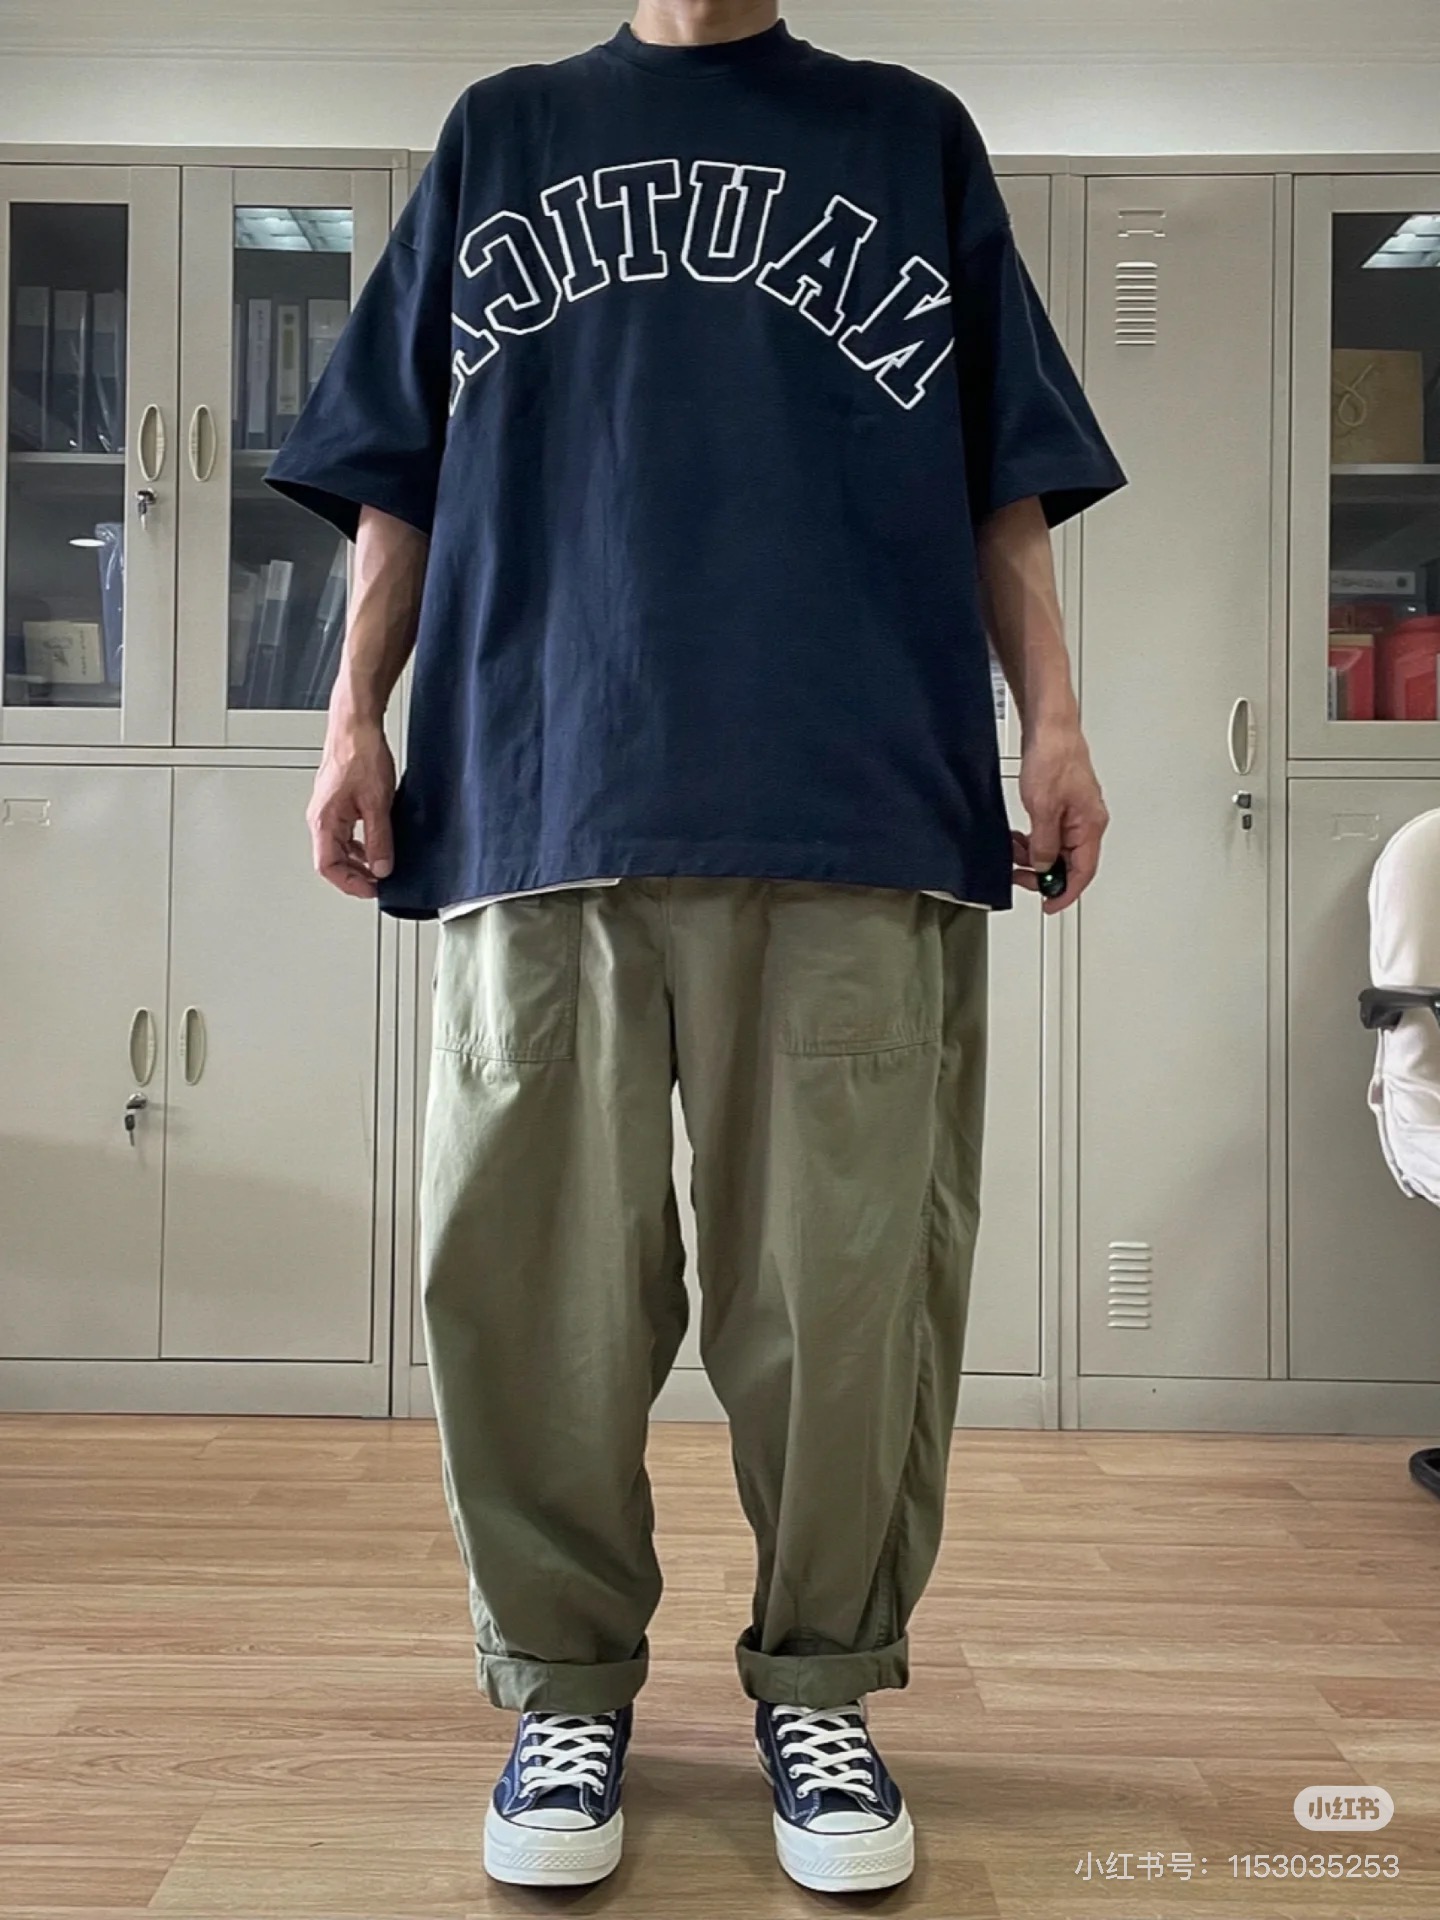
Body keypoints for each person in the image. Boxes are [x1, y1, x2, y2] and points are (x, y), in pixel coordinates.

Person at [264, 0, 1126, 1894]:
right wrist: (349, 716)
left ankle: (823, 1683)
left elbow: (1002, 473)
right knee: (527, 1287)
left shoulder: (907, 137)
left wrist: (1054, 721)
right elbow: (399, 475)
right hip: (538, 783)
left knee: (844, 1298)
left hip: (850, 796)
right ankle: (566, 1687)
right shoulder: (501, 135)